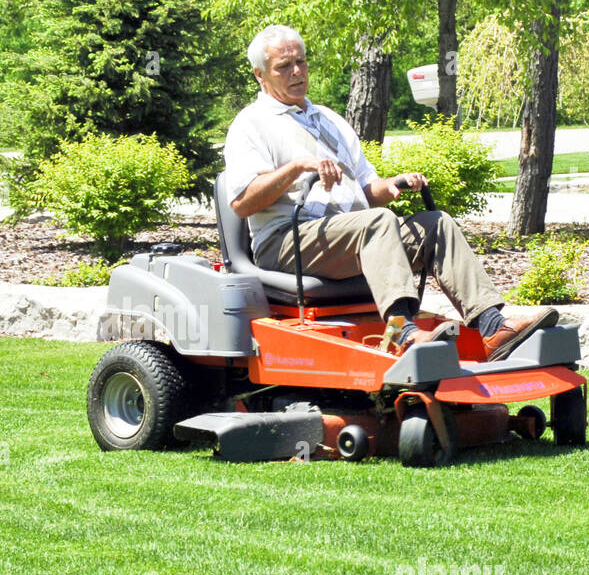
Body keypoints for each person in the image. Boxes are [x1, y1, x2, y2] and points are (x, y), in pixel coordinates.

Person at [222, 24, 556, 358]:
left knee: (435, 224)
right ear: (260, 75)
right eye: (284, 66)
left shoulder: (329, 119)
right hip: (286, 241)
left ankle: (493, 326)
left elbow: (368, 190)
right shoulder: (251, 124)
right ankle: (403, 333)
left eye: (302, 62)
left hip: (348, 235)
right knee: (376, 223)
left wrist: (394, 184)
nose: (297, 72)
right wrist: (296, 167)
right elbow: (242, 203)